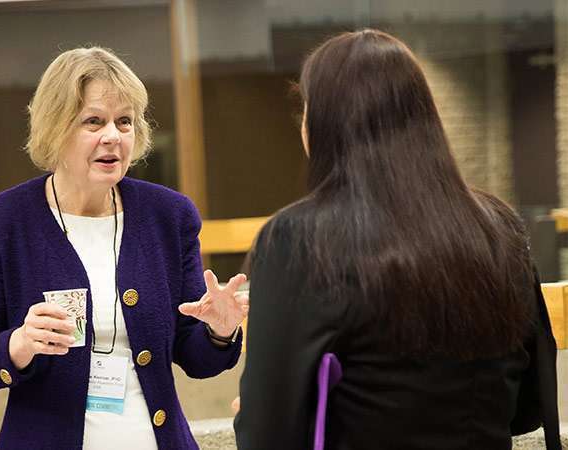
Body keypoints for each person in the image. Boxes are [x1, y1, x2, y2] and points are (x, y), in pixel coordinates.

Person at [234, 29, 559, 450]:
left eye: (307, 110)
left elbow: (267, 434)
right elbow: (529, 406)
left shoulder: (298, 238)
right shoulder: (500, 227)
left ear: (326, 124)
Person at [0, 47, 248, 450]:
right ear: (56, 128)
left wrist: (219, 331)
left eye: (124, 121)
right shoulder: (0, 225)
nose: (113, 135)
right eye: (94, 121)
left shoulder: (168, 217)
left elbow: (195, 356)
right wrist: (18, 343)